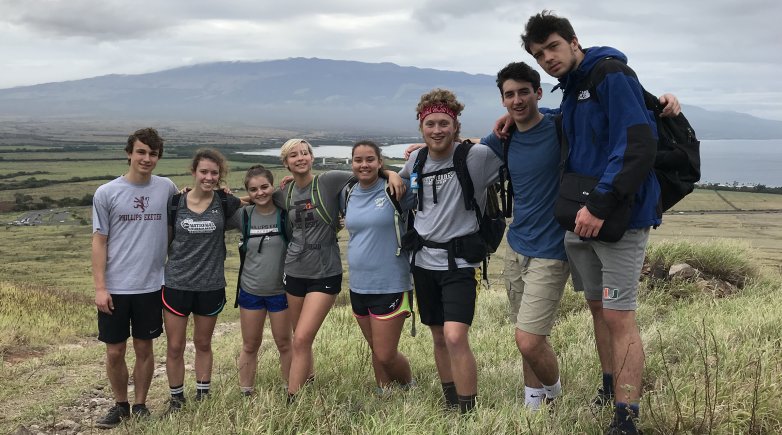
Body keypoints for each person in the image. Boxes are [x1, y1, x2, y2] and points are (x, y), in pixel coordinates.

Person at [521, 11, 661, 434]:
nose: (548, 58)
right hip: (582, 218)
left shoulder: (610, 73)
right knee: (599, 308)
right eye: (539, 54)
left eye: (553, 47)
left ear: (573, 41)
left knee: (620, 316)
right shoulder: (572, 90)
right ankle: (608, 388)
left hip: (616, 217)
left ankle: (626, 417)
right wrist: (516, 118)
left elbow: (637, 142)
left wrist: (600, 205)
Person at [398, 89, 503, 413]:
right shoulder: (417, 160)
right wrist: (390, 172)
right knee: (439, 337)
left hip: (459, 263)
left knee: (456, 336)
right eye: (430, 124)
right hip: (423, 262)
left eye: (444, 123)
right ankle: (450, 402)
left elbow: (515, 143)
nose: (437, 130)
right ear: (421, 126)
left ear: (455, 125)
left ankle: (468, 411)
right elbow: (396, 184)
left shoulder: (476, 156)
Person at [275, 139, 404, 401]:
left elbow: (365, 171)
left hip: (325, 272)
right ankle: (306, 380)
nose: (300, 158)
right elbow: (260, 197)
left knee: (301, 338)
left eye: (305, 153)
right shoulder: (284, 193)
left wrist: (391, 172)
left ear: (312, 157)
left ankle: (292, 399)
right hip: (295, 270)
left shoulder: (330, 180)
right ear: (285, 163)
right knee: (300, 338)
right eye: (293, 155)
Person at [481, 62, 570, 411]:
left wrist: (664, 102)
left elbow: (597, 114)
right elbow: (466, 150)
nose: (516, 100)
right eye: (509, 94)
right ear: (502, 100)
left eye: (523, 92)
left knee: (529, 340)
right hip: (516, 246)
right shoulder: (505, 136)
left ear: (538, 92)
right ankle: (534, 406)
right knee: (525, 336)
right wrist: (419, 150)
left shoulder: (560, 126)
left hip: (552, 249)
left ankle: (556, 395)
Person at [91, 127, 177, 428]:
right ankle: (120, 405)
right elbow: (99, 240)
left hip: (152, 285)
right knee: (115, 351)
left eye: (153, 153)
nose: (147, 158)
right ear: (129, 153)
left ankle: (139, 404)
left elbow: (196, 207)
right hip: (116, 286)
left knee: (144, 347)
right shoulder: (107, 193)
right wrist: (100, 287)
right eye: (141, 151)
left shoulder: (167, 188)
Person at [163, 148, 241, 413]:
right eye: (204, 172)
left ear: (221, 176)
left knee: (203, 343)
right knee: (174, 345)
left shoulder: (225, 202)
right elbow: (166, 241)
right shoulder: (175, 203)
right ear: (193, 172)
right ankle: (176, 398)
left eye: (214, 173)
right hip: (176, 284)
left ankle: (203, 394)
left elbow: (256, 199)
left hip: (210, 285)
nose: (208, 177)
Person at [343, 140, 415, 394]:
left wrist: (393, 173)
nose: (364, 165)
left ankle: (408, 386)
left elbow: (421, 171)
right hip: (359, 284)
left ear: (380, 162)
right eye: (358, 160)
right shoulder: (348, 191)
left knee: (386, 354)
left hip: (391, 281)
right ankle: (384, 392)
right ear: (351, 163)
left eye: (370, 159)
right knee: (376, 347)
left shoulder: (395, 190)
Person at [231, 165, 293, 396]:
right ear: (248, 191)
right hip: (251, 290)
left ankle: (291, 390)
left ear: (273, 186)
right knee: (249, 345)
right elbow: (218, 209)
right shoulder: (244, 215)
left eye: (265, 187)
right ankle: (246, 391)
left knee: (285, 344)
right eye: (253, 189)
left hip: (281, 291)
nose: (260, 193)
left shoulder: (284, 214)